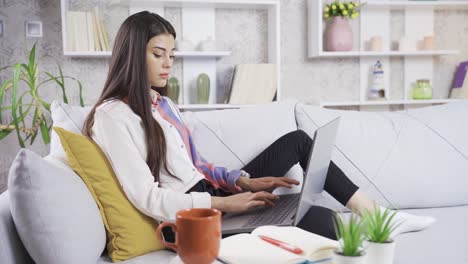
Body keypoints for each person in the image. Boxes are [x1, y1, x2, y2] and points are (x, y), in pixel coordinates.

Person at [83, 11, 435, 241]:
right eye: (158, 54)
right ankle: (374, 225)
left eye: (172, 56)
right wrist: (226, 206)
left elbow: (197, 165)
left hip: (214, 195)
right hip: (196, 218)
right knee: (321, 220)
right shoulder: (113, 118)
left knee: (298, 142)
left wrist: (242, 181)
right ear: (131, 54)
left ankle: (376, 214)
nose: (168, 64)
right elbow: (147, 198)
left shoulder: (162, 104)